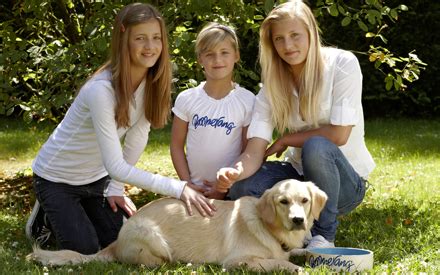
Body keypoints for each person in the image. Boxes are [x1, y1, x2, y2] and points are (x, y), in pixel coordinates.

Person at [25, 3, 215, 255]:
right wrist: (179, 188)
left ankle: (82, 211)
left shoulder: (153, 82)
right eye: (140, 38)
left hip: (96, 179)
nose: (150, 46)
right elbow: (115, 165)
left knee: (118, 242)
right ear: (124, 38)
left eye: (156, 38)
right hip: (56, 178)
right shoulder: (100, 90)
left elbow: (137, 137)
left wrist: (114, 188)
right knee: (86, 250)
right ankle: (44, 215)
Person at [215, 0, 375, 250]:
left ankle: (322, 237)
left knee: (316, 146)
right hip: (299, 177)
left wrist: (286, 139)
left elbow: (339, 134)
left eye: (294, 35)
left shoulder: (343, 64)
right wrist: (236, 172)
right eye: (279, 39)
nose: (287, 46)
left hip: (344, 185)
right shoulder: (272, 85)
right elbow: (255, 147)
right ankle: (287, 229)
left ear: (310, 32)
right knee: (243, 187)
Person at [170, 23, 255, 199]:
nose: (217, 60)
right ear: (200, 59)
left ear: (236, 56)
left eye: (224, 53)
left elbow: (249, 152)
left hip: (231, 191)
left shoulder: (247, 100)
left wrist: (223, 186)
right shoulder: (187, 98)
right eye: (209, 54)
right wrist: (187, 184)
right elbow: (176, 146)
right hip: (193, 190)